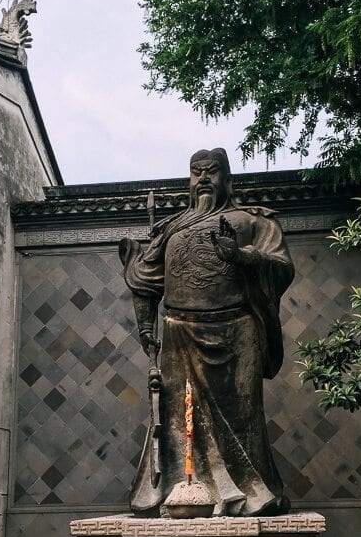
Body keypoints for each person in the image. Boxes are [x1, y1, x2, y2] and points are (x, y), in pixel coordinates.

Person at [119, 148, 294, 516]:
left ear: (227, 179)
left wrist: (242, 255)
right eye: (196, 172)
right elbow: (145, 281)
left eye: (212, 172)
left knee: (243, 419)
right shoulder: (171, 229)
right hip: (179, 335)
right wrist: (146, 326)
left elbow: (281, 266)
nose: (203, 179)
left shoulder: (254, 222)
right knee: (176, 421)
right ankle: (173, 492)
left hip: (237, 333)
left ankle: (252, 495)